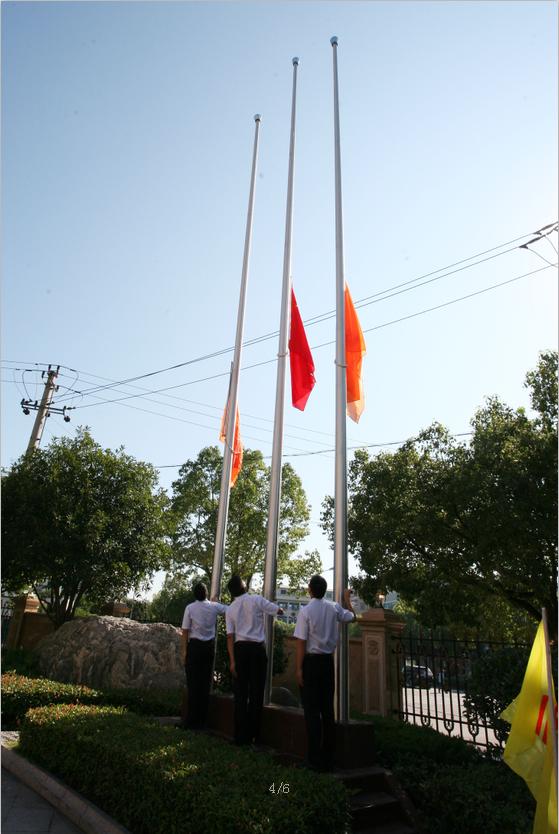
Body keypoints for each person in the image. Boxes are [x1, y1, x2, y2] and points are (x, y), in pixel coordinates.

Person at [294, 574, 355, 772]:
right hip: (328, 663)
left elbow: (301, 642)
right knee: (327, 711)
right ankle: (329, 758)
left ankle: (314, 760)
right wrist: (347, 600)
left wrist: (299, 668)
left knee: (311, 712)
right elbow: (352, 617)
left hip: (311, 664)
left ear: (310, 590)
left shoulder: (305, 611)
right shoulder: (334, 607)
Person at [225, 575, 283, 746]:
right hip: (257, 650)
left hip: (240, 650)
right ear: (243, 586)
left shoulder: (230, 609)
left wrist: (233, 661)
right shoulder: (256, 600)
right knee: (257, 694)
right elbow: (278, 611)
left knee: (240, 695)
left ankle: (239, 737)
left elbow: (230, 637)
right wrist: (278, 608)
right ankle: (255, 736)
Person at [181, 581, 227, 730]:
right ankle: (202, 721)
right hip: (208, 648)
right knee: (205, 684)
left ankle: (190, 721)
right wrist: (215, 603)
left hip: (194, 647)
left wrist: (184, 651)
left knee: (193, 684)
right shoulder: (214, 607)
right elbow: (229, 610)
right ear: (206, 593)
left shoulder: (190, 608)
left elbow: (185, 631)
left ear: (194, 594)